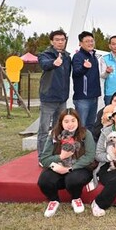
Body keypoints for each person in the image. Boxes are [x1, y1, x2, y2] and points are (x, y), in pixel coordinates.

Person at [37, 108, 95, 217]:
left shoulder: (85, 134)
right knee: (44, 180)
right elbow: (44, 159)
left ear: (78, 121)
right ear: (61, 123)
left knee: (73, 179)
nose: (70, 124)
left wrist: (70, 168)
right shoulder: (54, 134)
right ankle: (54, 200)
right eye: (66, 121)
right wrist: (61, 156)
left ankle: (76, 198)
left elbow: (90, 156)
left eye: (73, 120)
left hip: (79, 168)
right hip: (58, 166)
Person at [37, 30, 72, 163]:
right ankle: (42, 157)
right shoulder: (45, 55)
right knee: (44, 129)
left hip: (62, 99)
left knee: (59, 130)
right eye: (57, 39)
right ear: (52, 41)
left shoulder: (67, 57)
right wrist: (53, 63)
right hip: (48, 98)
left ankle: (57, 155)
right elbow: (44, 64)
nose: (60, 42)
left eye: (62, 39)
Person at [72, 31, 101, 132]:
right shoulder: (78, 56)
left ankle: (89, 147)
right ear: (80, 43)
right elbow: (76, 72)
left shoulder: (93, 56)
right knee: (81, 125)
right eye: (87, 41)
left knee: (90, 125)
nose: (90, 43)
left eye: (91, 41)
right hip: (82, 98)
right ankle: (79, 147)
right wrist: (84, 67)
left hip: (94, 96)